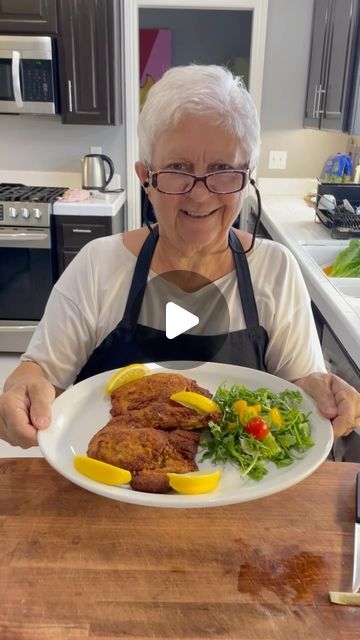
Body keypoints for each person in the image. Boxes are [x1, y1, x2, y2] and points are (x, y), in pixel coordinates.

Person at [0, 64, 359, 451]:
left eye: (223, 170)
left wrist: (323, 392)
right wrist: (23, 389)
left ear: (247, 178)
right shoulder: (96, 265)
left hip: (242, 501)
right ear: (145, 179)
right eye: (177, 169)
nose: (200, 195)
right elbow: (41, 372)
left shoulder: (275, 270)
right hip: (108, 496)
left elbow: (300, 384)